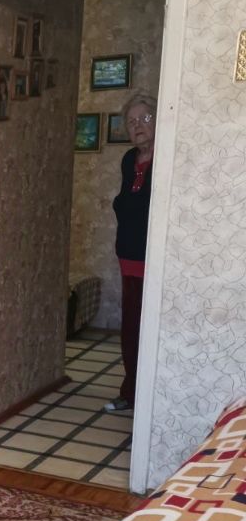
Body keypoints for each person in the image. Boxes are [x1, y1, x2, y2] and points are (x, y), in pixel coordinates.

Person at [105, 93, 156, 412]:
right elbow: (127, 203)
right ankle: (130, 392)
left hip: (155, 258)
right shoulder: (128, 160)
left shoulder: (165, 157)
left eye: (145, 119)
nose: (138, 126)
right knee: (131, 327)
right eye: (132, 121)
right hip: (129, 254)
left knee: (152, 328)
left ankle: (151, 396)